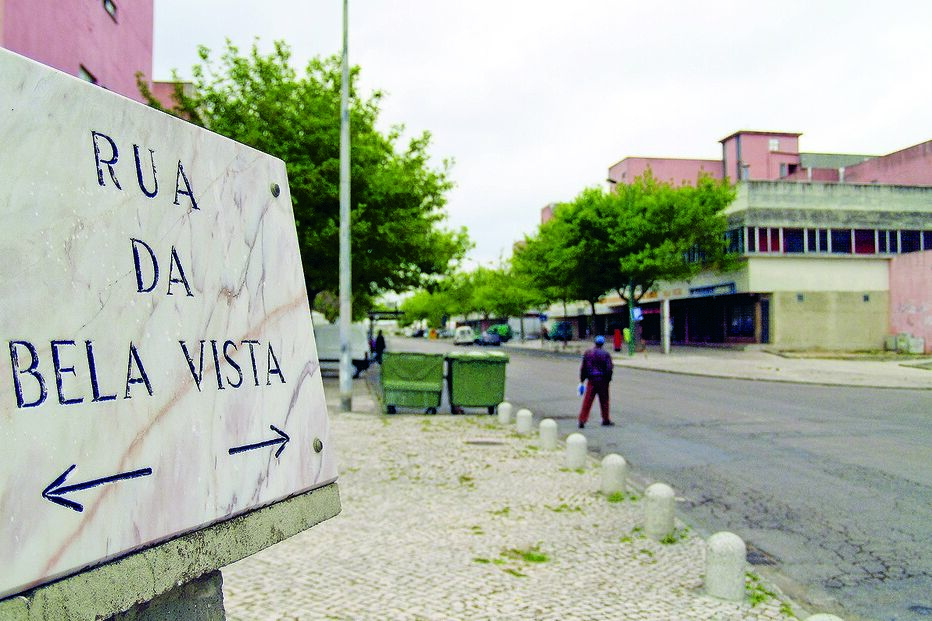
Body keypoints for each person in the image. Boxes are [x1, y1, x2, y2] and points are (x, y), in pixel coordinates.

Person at [577, 335, 614, 429]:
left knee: (588, 401)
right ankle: (605, 419)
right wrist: (608, 379)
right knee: (604, 401)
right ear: (603, 343)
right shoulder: (606, 354)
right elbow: (609, 368)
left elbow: (583, 368)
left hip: (591, 380)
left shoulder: (588, 353)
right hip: (603, 380)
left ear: (595, 342)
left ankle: (582, 419)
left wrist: (582, 380)